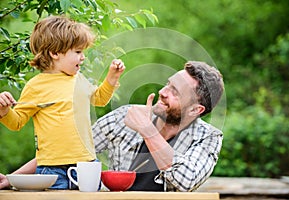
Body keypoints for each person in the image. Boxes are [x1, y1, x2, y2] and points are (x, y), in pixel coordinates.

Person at [0, 61, 223, 192]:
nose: (164, 92)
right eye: (168, 84)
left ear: (196, 110)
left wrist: (147, 130)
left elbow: (186, 180)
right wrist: (11, 178)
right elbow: (66, 150)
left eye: (176, 92)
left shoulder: (209, 137)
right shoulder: (124, 116)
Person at [0, 16, 125, 189]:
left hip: (86, 165)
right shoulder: (36, 86)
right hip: (51, 170)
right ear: (55, 53)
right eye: (78, 52)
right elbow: (17, 122)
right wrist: (4, 110)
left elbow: (100, 99)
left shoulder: (79, 80)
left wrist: (112, 78)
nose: (83, 58)